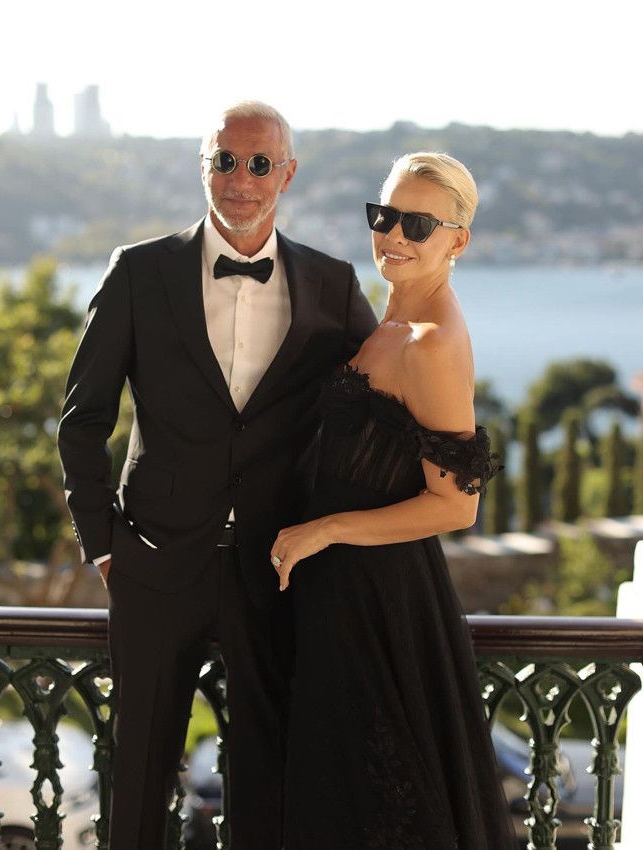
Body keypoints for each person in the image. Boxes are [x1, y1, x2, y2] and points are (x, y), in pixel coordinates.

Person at [57, 100, 377, 850]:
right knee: (137, 777)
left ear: (287, 174)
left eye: (260, 163)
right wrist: (105, 546)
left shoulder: (331, 285)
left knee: (270, 781)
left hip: (278, 573)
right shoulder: (139, 272)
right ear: (203, 168)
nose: (241, 177)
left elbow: (380, 407)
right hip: (155, 564)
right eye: (224, 160)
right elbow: (83, 419)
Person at [270, 152, 517, 849]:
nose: (394, 235)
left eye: (418, 224)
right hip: (344, 587)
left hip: (377, 599)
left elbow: (456, 506)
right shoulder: (392, 321)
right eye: (385, 216)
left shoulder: (430, 343)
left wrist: (324, 530)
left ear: (457, 240)